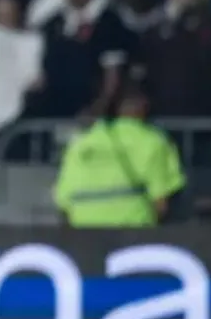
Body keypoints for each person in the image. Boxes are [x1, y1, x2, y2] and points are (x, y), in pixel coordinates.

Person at [53, 83, 185, 227]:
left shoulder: (81, 142)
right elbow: (162, 201)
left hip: (83, 228)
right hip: (133, 228)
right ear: (145, 107)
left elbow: (63, 200)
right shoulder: (153, 140)